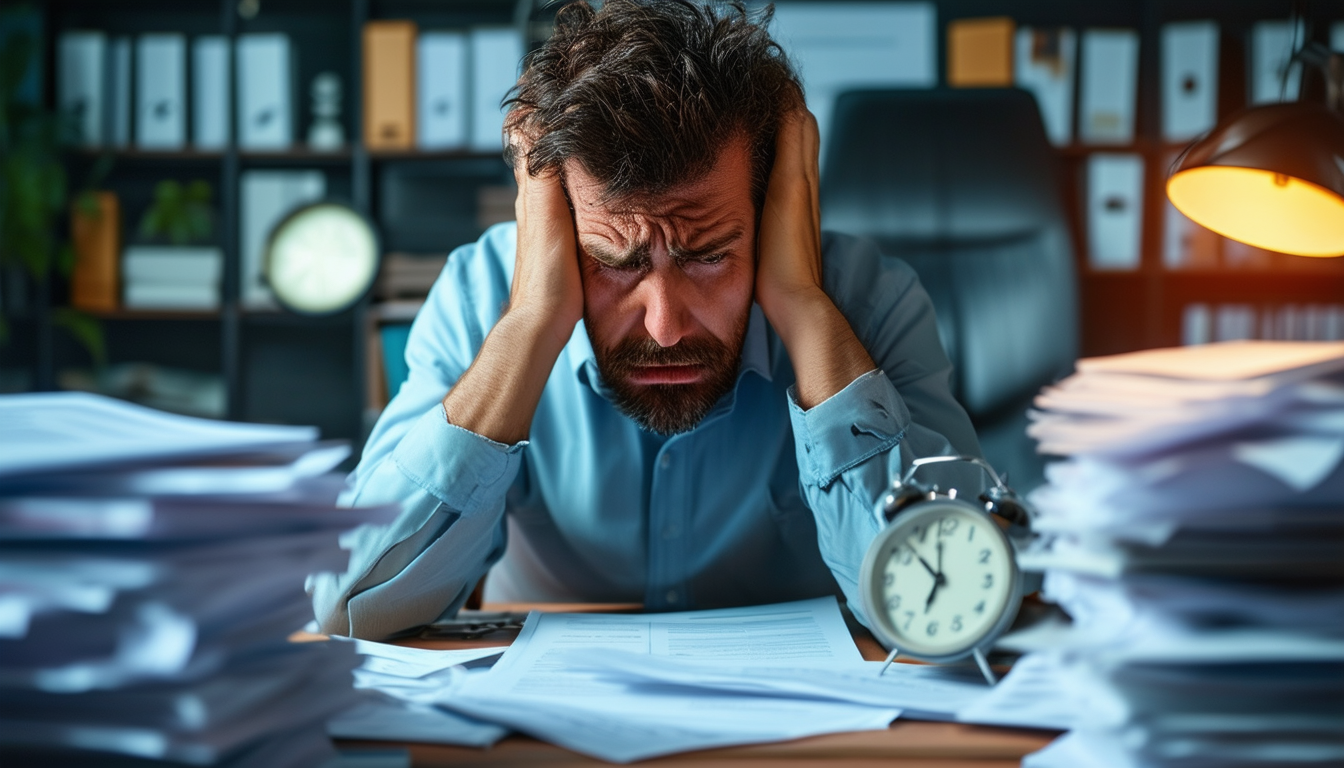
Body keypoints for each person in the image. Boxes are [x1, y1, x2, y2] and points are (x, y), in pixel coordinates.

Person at [310, 0, 980, 640]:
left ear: (774, 210)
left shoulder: (869, 301)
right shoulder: (480, 296)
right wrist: (530, 327)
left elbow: (955, 607)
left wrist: (804, 308)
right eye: (614, 261)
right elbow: (347, 607)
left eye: (710, 255)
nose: (664, 327)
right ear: (557, 221)